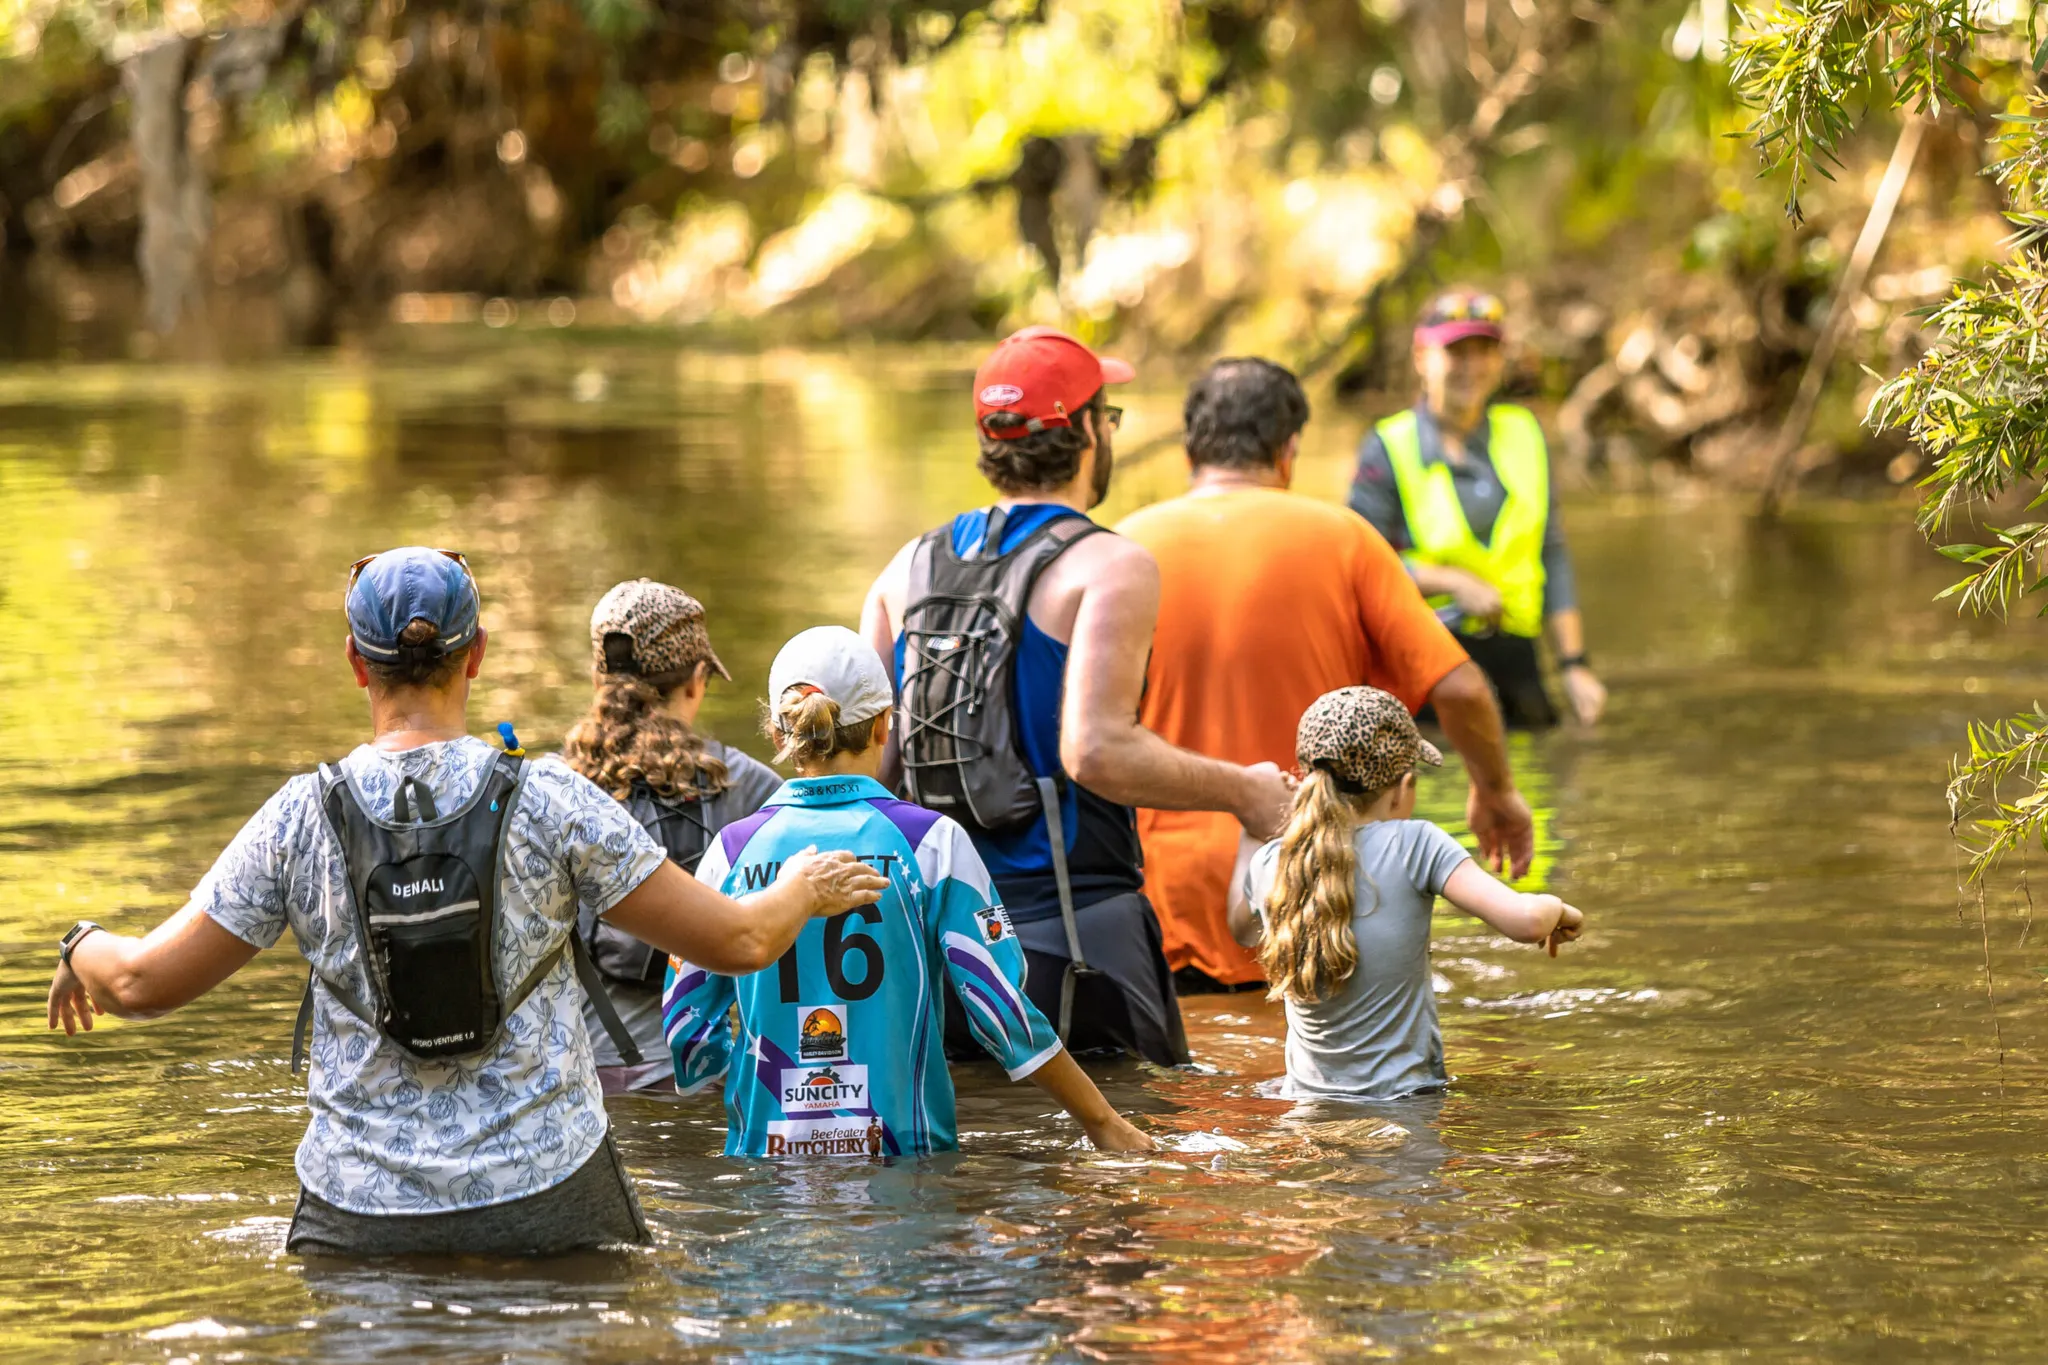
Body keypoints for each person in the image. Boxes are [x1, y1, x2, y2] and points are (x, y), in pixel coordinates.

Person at [44, 547, 886, 1258]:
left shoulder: (301, 816)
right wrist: (802, 889)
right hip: (550, 1194)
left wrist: (78, 943)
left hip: (359, 1210)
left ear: (354, 662)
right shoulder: (552, 799)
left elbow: (140, 983)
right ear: (476, 654)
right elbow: (739, 941)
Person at [860, 327, 1295, 1067]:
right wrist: (1246, 792)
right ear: (1088, 429)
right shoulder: (1110, 564)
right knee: (1124, 1164)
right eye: (1109, 416)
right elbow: (1095, 750)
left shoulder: (905, 568)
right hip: (1078, 938)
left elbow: (862, 775)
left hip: (930, 940)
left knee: (972, 1170)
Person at [1114, 357, 1536, 996]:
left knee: (1197, 1076)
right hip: (1318, 881)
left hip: (1160, 884)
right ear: (1289, 452)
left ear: (1188, 453)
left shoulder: (1121, 549)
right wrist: (1497, 792)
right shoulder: (1345, 538)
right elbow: (1460, 687)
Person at [662, 626, 1154, 1157]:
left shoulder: (732, 852)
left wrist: (728, 1079)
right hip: (903, 1152)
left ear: (780, 736)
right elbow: (1001, 1012)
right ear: (883, 727)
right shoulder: (932, 843)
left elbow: (687, 1024)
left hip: (767, 1154)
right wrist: (1103, 1122)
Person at [1228, 686, 1585, 1100]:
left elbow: (1242, 931)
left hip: (1306, 1108)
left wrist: (1249, 833)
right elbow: (1526, 922)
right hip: (1404, 1105)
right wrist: (1557, 908)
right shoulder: (1416, 845)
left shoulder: (1274, 859)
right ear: (1402, 787)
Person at [560, 578, 782, 1096]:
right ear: (697, 679)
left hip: (574, 1085)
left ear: (599, 676)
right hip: (699, 1081)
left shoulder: (550, 784)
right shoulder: (751, 788)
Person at [1349, 288, 1607, 729]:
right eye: (1456, 352)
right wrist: (1451, 581)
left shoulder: (1525, 432)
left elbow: (1552, 551)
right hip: (1427, 660)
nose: (1471, 366)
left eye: (1484, 350)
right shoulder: (1388, 447)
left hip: (1517, 657)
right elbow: (1360, 569)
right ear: (1421, 357)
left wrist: (1573, 664)